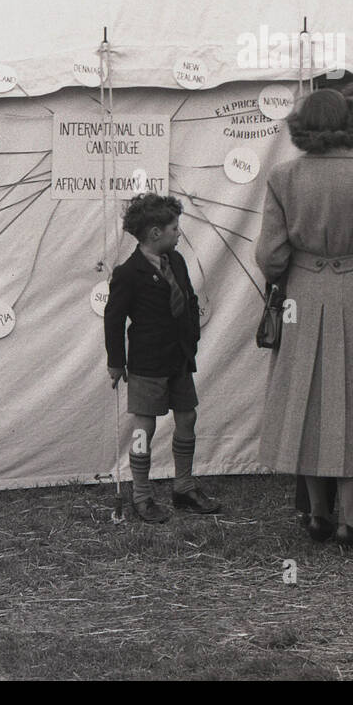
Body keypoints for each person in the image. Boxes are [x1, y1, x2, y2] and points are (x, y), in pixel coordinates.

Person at [255, 90, 353, 547]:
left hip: (303, 294)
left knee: (305, 398)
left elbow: (270, 255)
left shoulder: (283, 175)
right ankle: (348, 518)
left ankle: (316, 512)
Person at [104, 193, 222, 522]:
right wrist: (116, 362)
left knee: (187, 418)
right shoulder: (128, 273)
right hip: (147, 363)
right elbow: (113, 319)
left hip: (179, 358)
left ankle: (183, 488)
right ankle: (141, 495)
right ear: (155, 233)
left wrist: (193, 339)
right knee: (144, 429)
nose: (178, 232)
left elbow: (188, 296)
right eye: (174, 227)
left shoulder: (177, 261)